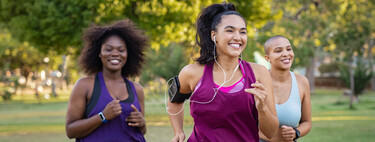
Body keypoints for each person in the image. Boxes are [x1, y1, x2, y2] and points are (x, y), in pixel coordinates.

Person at [167, 2, 279, 142]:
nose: (238, 37)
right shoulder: (192, 73)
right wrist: (178, 131)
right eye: (230, 30)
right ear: (214, 35)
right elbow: (174, 101)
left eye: (242, 32)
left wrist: (262, 109)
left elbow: (271, 133)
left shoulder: (259, 73)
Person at [65, 19, 148, 142]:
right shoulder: (85, 86)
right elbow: (70, 131)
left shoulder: (136, 89)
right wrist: (102, 116)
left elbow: (142, 131)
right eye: (108, 49)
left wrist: (142, 123)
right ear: (99, 53)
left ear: (127, 54)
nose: (115, 53)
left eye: (121, 50)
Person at [259, 35, 311, 142]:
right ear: (268, 58)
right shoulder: (258, 83)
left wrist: (296, 132)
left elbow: (307, 122)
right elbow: (245, 124)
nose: (286, 54)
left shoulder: (302, 82)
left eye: (289, 49)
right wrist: (277, 138)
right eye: (278, 51)